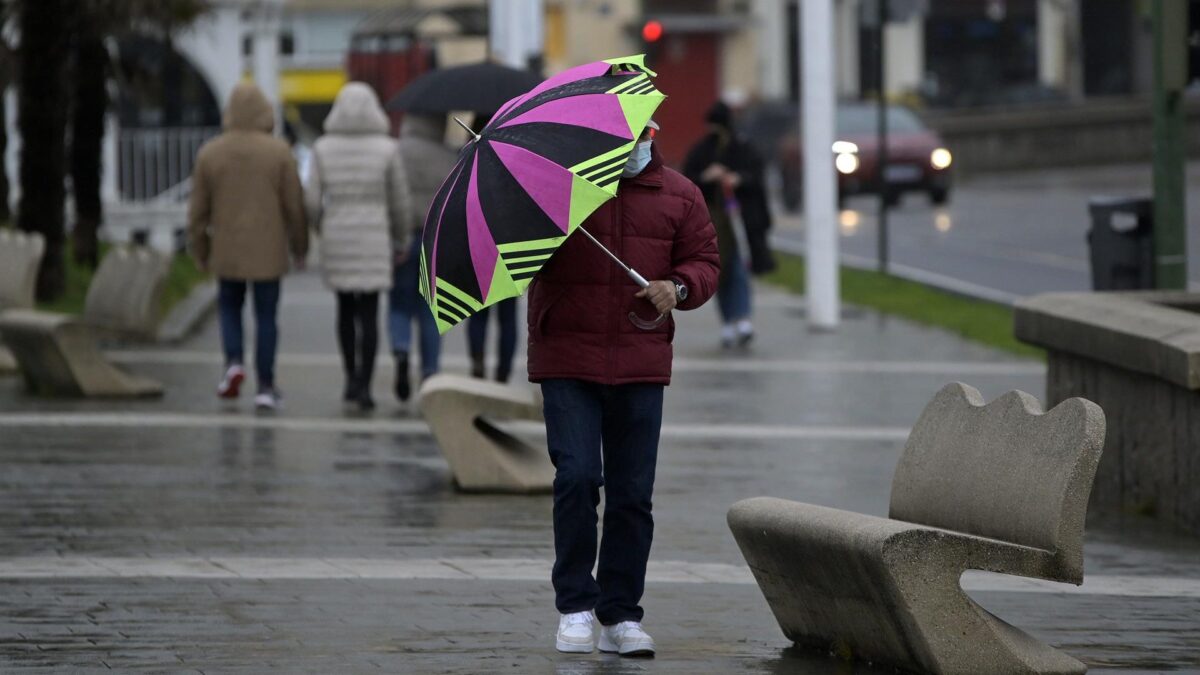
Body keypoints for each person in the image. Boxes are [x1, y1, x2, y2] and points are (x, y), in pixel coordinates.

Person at [527, 120, 719, 657]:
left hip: (640, 358)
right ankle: (575, 606)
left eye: (644, 136)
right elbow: (523, 261)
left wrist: (676, 287)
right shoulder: (558, 190)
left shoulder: (680, 194)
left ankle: (620, 614)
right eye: (623, 138)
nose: (634, 147)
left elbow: (705, 263)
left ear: (654, 135)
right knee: (578, 477)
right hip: (567, 355)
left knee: (633, 495)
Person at [188, 82, 308, 411]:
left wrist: (200, 250)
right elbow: (295, 206)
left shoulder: (210, 153)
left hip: (226, 249)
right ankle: (266, 386)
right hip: (268, 251)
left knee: (229, 308)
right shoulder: (280, 152)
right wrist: (300, 247)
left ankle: (233, 363)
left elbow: (197, 211)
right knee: (266, 316)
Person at [306, 82, 413, 412]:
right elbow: (399, 201)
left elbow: (310, 200)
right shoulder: (387, 148)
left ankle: (350, 377)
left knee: (344, 310)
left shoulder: (322, 148)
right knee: (369, 313)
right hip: (374, 234)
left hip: (338, 230)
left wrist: (321, 225)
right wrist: (401, 237)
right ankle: (365, 386)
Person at [683, 100, 774, 348]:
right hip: (713, 225)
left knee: (738, 269)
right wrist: (706, 177)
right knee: (719, 273)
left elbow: (756, 177)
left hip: (740, 223)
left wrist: (738, 179)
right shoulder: (702, 151)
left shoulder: (743, 148)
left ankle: (742, 319)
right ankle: (728, 322)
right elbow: (687, 181)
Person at [391, 113, 456, 401]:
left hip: (403, 237)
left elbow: (391, 197)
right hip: (436, 238)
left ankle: (401, 350)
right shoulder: (447, 154)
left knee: (399, 304)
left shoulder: (397, 151)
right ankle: (430, 372)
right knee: (430, 309)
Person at [463, 112, 519, 384]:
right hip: (509, 244)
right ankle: (503, 373)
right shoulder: (514, 158)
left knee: (478, 312)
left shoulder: (466, 160)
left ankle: (477, 363)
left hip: (477, 244)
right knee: (507, 317)